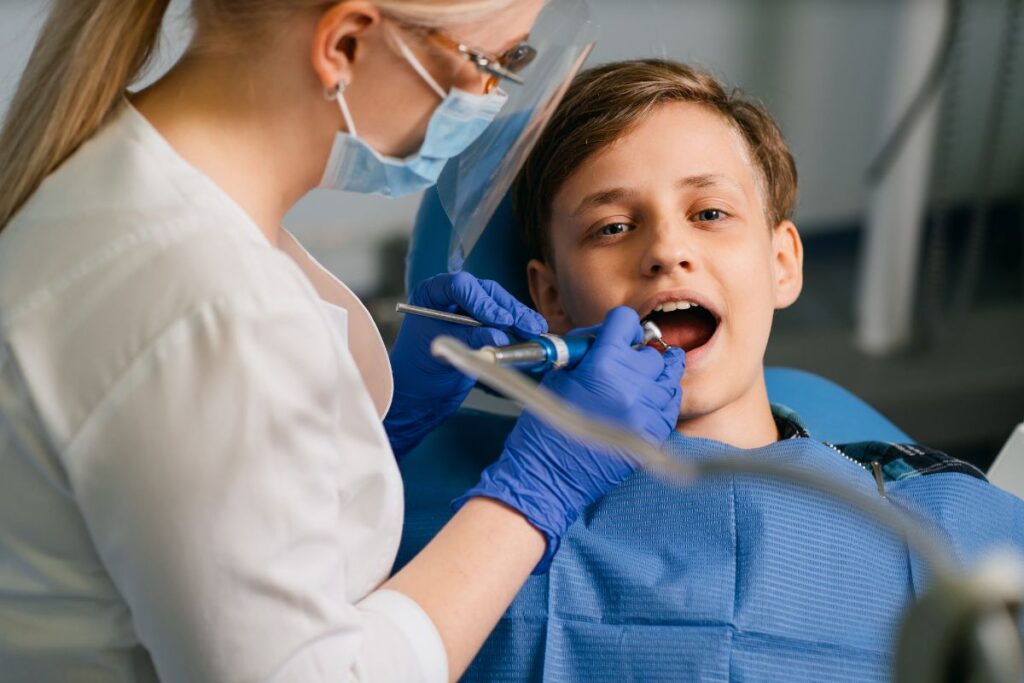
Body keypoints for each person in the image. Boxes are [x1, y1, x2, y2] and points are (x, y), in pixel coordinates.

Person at [0, 2, 687, 681]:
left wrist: (377, 423)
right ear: (346, 44)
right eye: (496, 63)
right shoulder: (208, 302)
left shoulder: (138, 186)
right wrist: (535, 494)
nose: (489, 99)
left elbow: (207, 510)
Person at [397, 59, 1024, 680]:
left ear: (781, 263)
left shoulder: (953, 531)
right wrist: (383, 431)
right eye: (612, 227)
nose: (667, 251)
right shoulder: (409, 489)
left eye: (709, 214)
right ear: (551, 298)